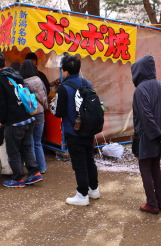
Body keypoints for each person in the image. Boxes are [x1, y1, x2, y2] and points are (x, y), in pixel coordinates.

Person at [50, 54, 99, 206]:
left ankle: (82, 194)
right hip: (88, 129)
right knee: (89, 159)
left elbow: (58, 112)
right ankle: (94, 189)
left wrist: (54, 104)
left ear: (65, 72)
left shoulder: (63, 89)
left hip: (73, 131)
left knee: (79, 163)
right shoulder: (87, 83)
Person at [0, 52, 43, 188]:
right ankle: (34, 173)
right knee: (27, 148)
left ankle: (18, 178)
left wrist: (2, 120)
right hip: (28, 118)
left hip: (14, 121)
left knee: (13, 152)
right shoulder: (15, 74)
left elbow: (1, 103)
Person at [131, 55, 161, 214]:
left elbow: (146, 116)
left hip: (148, 136)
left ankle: (152, 203)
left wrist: (157, 135)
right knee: (156, 166)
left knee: (145, 167)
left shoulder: (140, 89)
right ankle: (160, 202)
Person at [20, 60, 48, 173]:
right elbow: (44, 96)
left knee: (30, 142)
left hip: (29, 114)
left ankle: (34, 168)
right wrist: (45, 107)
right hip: (40, 113)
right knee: (38, 142)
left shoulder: (22, 83)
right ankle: (42, 168)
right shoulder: (39, 80)